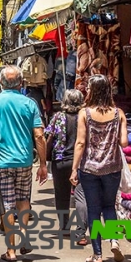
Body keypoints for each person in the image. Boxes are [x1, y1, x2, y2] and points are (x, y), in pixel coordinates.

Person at [0, 65, 48, 262]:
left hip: (1, 162)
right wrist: (43, 164)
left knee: (7, 204)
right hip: (25, 161)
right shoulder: (30, 103)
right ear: (20, 83)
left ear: (1, 83)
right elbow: (39, 136)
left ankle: (11, 250)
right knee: (24, 199)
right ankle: (24, 237)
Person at [70, 74, 129, 262]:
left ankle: (97, 254)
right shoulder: (118, 113)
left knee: (94, 209)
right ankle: (114, 240)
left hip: (89, 169)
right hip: (112, 168)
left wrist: (73, 170)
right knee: (109, 206)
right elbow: (124, 142)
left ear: (92, 91)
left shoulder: (84, 114)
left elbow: (80, 143)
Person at [44, 89, 88, 243]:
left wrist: (45, 158)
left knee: (61, 196)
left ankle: (64, 228)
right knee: (81, 196)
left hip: (61, 162)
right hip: (82, 162)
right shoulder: (85, 117)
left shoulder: (58, 117)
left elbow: (49, 138)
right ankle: (81, 232)